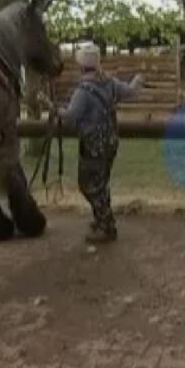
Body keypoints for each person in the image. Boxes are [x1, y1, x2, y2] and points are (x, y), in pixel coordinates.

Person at [51, 43, 144, 244]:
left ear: (81, 65)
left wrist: (52, 108)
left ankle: (106, 225)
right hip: (110, 142)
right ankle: (102, 219)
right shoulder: (109, 82)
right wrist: (138, 80)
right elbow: (130, 91)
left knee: (88, 185)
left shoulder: (83, 91)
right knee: (101, 184)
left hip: (93, 145)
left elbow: (70, 117)